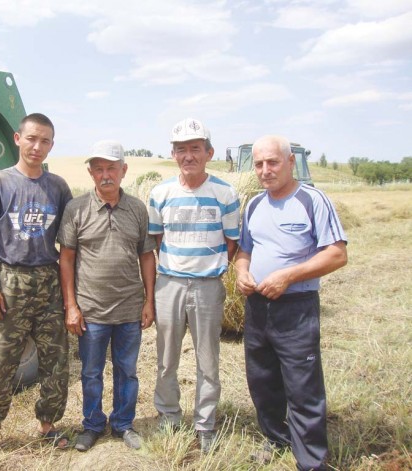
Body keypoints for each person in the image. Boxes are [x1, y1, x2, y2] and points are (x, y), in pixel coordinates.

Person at [235, 135, 347, 471]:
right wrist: (241, 272)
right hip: (257, 307)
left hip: (296, 307)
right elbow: (245, 252)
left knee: (302, 386)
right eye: (259, 164)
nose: (265, 170)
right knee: (263, 381)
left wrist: (288, 276)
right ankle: (276, 439)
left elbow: (337, 254)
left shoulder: (312, 200)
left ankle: (311, 461)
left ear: (290, 163)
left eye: (272, 162)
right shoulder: (254, 205)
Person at [0, 113, 73, 465]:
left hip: (49, 279)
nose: (37, 147)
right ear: (17, 138)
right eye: (31, 139)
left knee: (56, 361)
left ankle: (48, 426)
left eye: (44, 141)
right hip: (10, 280)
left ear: (52, 146)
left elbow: (69, 243)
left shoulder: (57, 187)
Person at [147, 118, 240, 452]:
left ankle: (205, 425)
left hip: (208, 288)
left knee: (208, 360)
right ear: (173, 155)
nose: (189, 156)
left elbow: (233, 243)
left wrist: (207, 268)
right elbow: (155, 239)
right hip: (168, 284)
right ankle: (169, 417)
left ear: (209, 152)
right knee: (166, 358)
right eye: (181, 149)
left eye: (195, 149)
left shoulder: (225, 193)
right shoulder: (160, 194)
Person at [57, 140, 156, 452]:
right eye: (98, 169)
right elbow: (67, 259)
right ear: (90, 173)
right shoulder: (76, 209)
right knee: (91, 372)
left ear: (124, 170)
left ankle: (124, 424)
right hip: (91, 311)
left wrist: (149, 300)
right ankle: (92, 425)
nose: (105, 175)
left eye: (111, 168)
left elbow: (147, 256)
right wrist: (71, 305)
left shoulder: (138, 209)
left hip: (129, 308)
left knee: (127, 371)